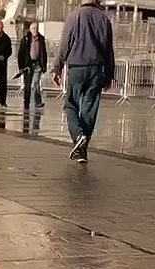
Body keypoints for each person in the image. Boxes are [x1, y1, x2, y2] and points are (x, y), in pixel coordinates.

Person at [52, 0, 114, 163]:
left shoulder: (75, 16)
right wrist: (109, 74)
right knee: (89, 109)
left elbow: (65, 43)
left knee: (71, 104)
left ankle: (78, 136)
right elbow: (109, 50)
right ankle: (82, 151)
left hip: (77, 67)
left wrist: (57, 68)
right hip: (96, 68)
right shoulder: (104, 19)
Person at [17, 22, 47, 110]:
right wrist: (21, 67)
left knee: (35, 83)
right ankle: (26, 102)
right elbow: (20, 54)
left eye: (36, 28)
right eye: (33, 28)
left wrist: (43, 66)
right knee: (27, 84)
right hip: (28, 65)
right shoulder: (25, 40)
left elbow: (44, 53)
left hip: (37, 65)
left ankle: (38, 102)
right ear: (30, 30)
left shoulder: (41, 39)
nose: (35, 30)